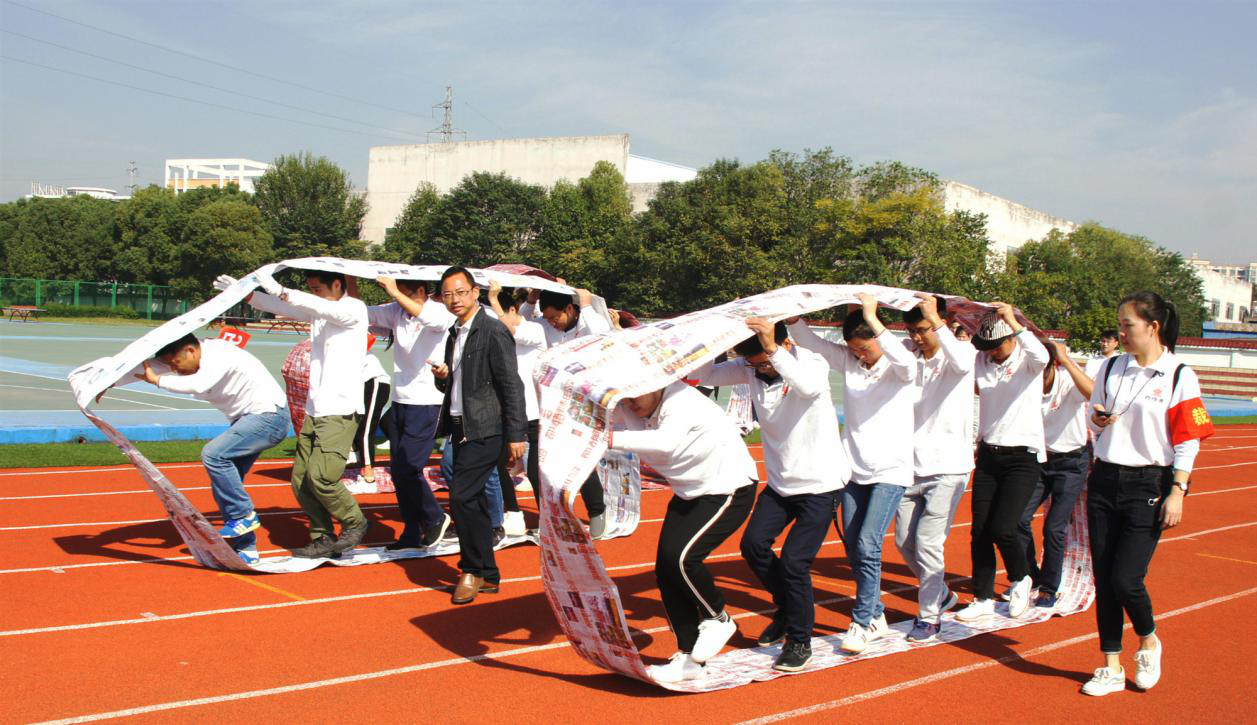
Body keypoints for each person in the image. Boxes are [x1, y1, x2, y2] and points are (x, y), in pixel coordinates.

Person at [692, 317, 847, 672]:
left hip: (821, 485)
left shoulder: (809, 362)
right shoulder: (750, 369)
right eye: (752, 364)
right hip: (780, 484)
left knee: (794, 563)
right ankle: (788, 607)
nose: (758, 370)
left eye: (763, 363)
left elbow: (807, 388)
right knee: (753, 545)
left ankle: (800, 641)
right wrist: (714, 341)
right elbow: (706, 376)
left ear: (783, 347)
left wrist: (773, 351)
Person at [1080, 292, 1213, 696]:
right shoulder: (1111, 368)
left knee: (1127, 577)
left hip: (1149, 484)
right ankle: (1110, 665)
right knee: (1104, 577)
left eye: (1128, 325)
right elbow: (1095, 417)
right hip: (1104, 478)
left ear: (1153, 327)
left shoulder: (1178, 374)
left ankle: (1149, 638)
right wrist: (1098, 419)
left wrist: (1178, 489)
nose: (1121, 333)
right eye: (1119, 325)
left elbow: (1188, 438)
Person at [787, 293, 916, 654]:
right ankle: (875, 611)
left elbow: (905, 361)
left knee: (867, 543)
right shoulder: (849, 362)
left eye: (864, 348)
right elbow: (810, 342)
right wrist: (792, 314)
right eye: (854, 349)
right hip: (854, 470)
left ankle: (862, 622)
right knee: (854, 545)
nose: (859, 355)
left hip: (891, 470)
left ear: (877, 338)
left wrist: (874, 317)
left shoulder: (900, 366)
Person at [609, 381, 758, 683]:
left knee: (682, 559)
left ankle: (718, 618)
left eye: (635, 393)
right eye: (623, 396)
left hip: (727, 485)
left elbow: (665, 443)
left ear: (656, 383)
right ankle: (689, 657)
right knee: (666, 569)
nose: (630, 402)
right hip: (689, 491)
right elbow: (622, 429)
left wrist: (607, 437)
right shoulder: (631, 404)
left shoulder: (681, 400)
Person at [224, 269, 371, 559]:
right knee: (301, 479)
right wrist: (247, 294)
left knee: (322, 478)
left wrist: (280, 288)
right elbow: (287, 307)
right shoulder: (320, 311)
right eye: (311, 290)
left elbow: (315, 305)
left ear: (337, 284)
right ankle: (322, 536)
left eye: (318, 288)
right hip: (315, 409)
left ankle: (355, 522)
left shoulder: (352, 308)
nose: (314, 294)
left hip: (340, 410)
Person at [129, 334, 289, 564]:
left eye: (176, 364)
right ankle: (247, 549)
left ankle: (244, 516)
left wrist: (158, 381)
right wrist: (106, 382)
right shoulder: (197, 359)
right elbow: (145, 367)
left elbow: (199, 384)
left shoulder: (217, 354)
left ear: (191, 351)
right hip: (248, 420)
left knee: (214, 455)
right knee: (225, 486)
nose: (175, 370)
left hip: (268, 416)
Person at [433, 266, 527, 605]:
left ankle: (471, 569)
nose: (454, 299)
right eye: (447, 294)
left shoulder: (492, 330)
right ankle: (488, 573)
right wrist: (443, 376)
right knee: (466, 499)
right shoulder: (454, 332)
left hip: (488, 428)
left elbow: (511, 384)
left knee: (460, 497)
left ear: (475, 292)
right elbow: (454, 384)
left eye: (460, 292)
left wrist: (516, 434)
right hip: (461, 425)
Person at [954, 302, 1049, 622]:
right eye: (987, 347)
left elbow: (1043, 355)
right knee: (979, 530)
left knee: (1004, 526)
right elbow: (959, 352)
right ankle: (981, 596)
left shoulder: (1028, 362)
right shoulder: (981, 360)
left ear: (1012, 339)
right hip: (989, 455)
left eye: (997, 346)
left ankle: (1021, 577)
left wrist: (1012, 318)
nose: (992, 352)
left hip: (1022, 458)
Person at [894, 294, 975, 642]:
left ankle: (929, 615)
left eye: (923, 329)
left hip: (948, 467)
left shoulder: (960, 354)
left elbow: (959, 361)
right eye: (912, 330)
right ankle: (941, 593)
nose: (917, 337)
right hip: (908, 466)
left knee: (928, 543)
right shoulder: (907, 356)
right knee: (903, 542)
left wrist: (936, 319)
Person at [360, 276, 455, 550]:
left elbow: (430, 319)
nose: (396, 300)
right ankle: (411, 532)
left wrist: (394, 292)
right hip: (401, 401)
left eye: (403, 294)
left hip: (427, 402)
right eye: (395, 294)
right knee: (399, 472)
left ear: (422, 291)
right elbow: (362, 313)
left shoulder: (439, 311)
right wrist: (349, 282)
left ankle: (436, 517)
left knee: (410, 467)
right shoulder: (396, 310)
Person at [1015, 340, 1094, 610]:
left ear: (1053, 365)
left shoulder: (1067, 381)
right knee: (1017, 520)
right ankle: (1032, 577)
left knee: (1053, 527)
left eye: (1042, 369)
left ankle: (1049, 588)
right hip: (1040, 458)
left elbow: (1094, 393)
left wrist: (1067, 361)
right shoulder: (1027, 382)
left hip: (1072, 461)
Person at [531, 287, 610, 538]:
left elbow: (603, 334)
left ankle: (597, 511)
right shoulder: (546, 327)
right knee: (542, 465)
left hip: (584, 405)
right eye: (548, 319)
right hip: (551, 405)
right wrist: (531, 300)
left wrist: (585, 305)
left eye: (556, 318)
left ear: (569, 309)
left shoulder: (589, 324)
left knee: (580, 460)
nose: (552, 323)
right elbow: (523, 325)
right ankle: (552, 515)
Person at [487, 280, 546, 535]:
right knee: (498, 463)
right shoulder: (499, 329)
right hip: (508, 410)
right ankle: (513, 513)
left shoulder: (534, 330)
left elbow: (509, 329)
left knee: (536, 471)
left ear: (512, 310)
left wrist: (493, 299)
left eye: (499, 312)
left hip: (534, 411)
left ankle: (549, 518)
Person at [351, 348, 391, 486]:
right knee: (352, 424)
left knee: (365, 430)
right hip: (362, 384)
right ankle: (355, 454)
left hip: (374, 382)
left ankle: (368, 471)